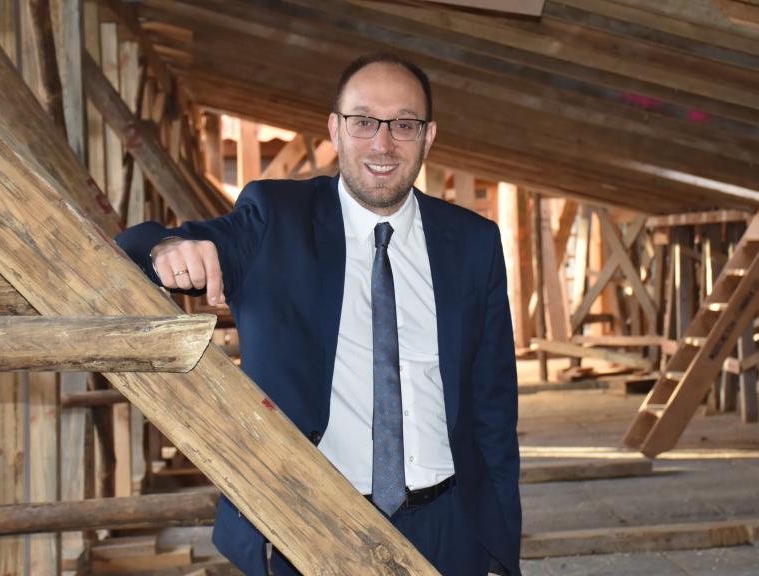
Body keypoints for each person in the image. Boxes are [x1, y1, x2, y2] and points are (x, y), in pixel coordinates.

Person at [116, 53, 520, 576]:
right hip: (310, 519)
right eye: (363, 121)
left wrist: (498, 545)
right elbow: (136, 245)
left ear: (429, 135)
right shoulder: (274, 219)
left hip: (447, 525)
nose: (382, 143)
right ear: (335, 128)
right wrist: (167, 248)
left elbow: (494, 408)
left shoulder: (472, 242)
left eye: (403, 124)